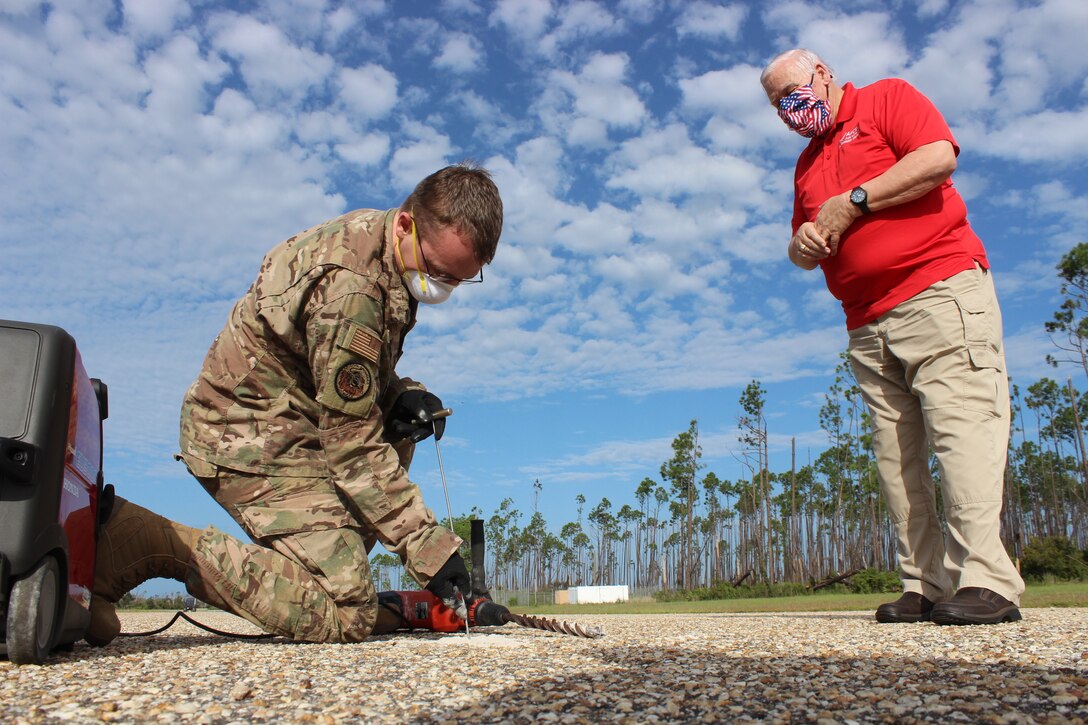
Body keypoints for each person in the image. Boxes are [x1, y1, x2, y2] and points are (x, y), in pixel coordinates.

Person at [87, 163, 503, 644]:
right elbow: (352, 448)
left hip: (298, 424)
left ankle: (339, 582)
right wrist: (430, 549)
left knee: (393, 431)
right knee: (345, 616)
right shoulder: (352, 287)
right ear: (407, 224)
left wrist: (400, 392)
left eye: (457, 280)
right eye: (437, 270)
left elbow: (337, 365)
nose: (441, 287)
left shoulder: (388, 250)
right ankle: (157, 544)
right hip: (246, 434)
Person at [760, 49, 1024, 625]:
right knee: (895, 457)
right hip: (866, 322)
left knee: (962, 433)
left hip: (938, 291)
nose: (788, 109)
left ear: (823, 74)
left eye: (792, 92)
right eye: (777, 103)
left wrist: (855, 200)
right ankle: (923, 583)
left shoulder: (885, 99)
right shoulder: (805, 166)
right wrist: (802, 247)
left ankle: (985, 578)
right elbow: (803, 242)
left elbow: (936, 158)